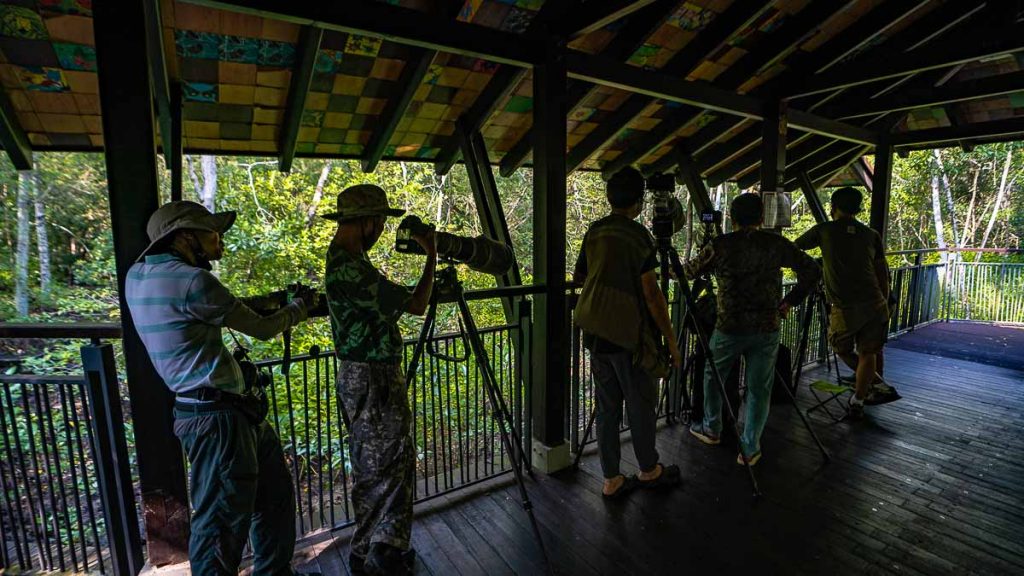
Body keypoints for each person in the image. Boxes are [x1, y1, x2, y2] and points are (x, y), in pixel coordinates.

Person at [126, 201, 314, 575]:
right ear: (184, 237)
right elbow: (262, 328)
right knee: (220, 522)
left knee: (272, 494)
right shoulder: (195, 282)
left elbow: (205, 312)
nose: (219, 240)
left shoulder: (137, 276)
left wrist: (260, 303)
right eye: (211, 233)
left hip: (210, 410)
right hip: (221, 420)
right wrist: (299, 307)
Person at [322, 184, 436, 575]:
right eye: (380, 222)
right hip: (372, 378)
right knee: (378, 467)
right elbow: (418, 304)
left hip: (370, 376)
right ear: (367, 221)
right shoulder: (349, 266)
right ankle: (369, 554)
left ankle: (385, 548)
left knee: (391, 462)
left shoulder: (348, 260)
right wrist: (432, 254)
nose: (382, 230)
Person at [686, 193, 820, 465]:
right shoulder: (775, 244)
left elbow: (689, 271)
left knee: (713, 375)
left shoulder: (721, 245)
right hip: (766, 327)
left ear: (732, 218)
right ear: (762, 217)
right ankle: (750, 447)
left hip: (729, 327)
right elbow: (812, 269)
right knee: (759, 388)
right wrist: (789, 302)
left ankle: (712, 427)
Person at [572, 167, 682, 500]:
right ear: (638, 202)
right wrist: (672, 343)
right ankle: (649, 470)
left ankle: (611, 479)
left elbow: (580, 277)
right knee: (640, 405)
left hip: (596, 334)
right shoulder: (638, 237)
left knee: (607, 408)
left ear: (609, 198)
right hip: (628, 338)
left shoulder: (595, 231)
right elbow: (652, 295)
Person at [795, 187, 893, 419]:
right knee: (868, 352)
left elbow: (795, 247)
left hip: (845, 306)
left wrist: (818, 264)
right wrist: (885, 301)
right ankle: (859, 398)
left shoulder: (825, 231)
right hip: (876, 303)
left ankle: (875, 383)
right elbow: (882, 272)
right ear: (858, 208)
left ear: (833, 207)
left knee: (840, 347)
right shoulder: (871, 234)